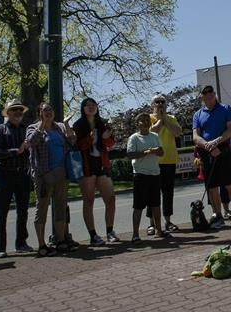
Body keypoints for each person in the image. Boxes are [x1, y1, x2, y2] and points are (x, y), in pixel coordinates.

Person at [26, 103, 77, 256]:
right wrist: (42, 124)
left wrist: (67, 124)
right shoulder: (33, 128)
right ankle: (42, 245)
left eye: (50, 110)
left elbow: (72, 140)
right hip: (43, 175)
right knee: (42, 208)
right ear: (39, 113)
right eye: (45, 110)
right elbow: (32, 141)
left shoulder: (59, 127)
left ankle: (60, 241)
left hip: (61, 173)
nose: (48, 112)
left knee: (60, 207)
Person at [193, 86, 231, 228]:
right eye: (206, 97)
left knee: (229, 184)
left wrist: (216, 142)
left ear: (214, 95)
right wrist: (208, 146)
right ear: (202, 98)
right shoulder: (197, 114)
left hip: (222, 150)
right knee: (212, 187)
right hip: (207, 151)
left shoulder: (224, 108)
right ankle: (218, 216)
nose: (209, 99)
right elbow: (196, 136)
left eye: (211, 96)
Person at [0, 99, 33, 258]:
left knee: (23, 211)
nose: (18, 113)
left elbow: (31, 150)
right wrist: (17, 151)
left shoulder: (26, 130)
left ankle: (21, 243)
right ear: (7, 113)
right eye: (14, 110)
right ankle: (0, 248)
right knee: (2, 212)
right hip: (5, 174)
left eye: (20, 110)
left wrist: (28, 149)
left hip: (23, 174)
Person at [72, 98, 118, 245]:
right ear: (83, 109)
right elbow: (77, 146)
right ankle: (93, 235)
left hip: (102, 165)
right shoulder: (78, 125)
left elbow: (111, 143)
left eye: (94, 105)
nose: (91, 107)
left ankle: (110, 231)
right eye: (88, 106)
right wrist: (89, 139)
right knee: (89, 200)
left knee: (110, 199)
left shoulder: (103, 123)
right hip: (87, 166)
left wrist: (106, 137)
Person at [126, 113, 166, 242]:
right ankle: (135, 234)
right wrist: (146, 152)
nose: (145, 123)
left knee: (155, 204)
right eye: (141, 121)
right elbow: (131, 154)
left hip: (155, 174)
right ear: (137, 124)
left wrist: (156, 150)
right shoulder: (134, 138)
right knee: (138, 206)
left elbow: (161, 152)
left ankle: (159, 230)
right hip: (140, 175)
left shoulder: (154, 136)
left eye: (147, 121)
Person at [150, 94, 182, 234]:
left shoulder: (172, 118)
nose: (160, 104)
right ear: (153, 105)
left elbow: (177, 132)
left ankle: (167, 221)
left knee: (168, 193)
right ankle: (152, 224)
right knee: (152, 193)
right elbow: (152, 132)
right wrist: (159, 120)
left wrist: (164, 119)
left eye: (163, 102)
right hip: (154, 162)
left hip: (169, 160)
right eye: (157, 102)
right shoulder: (149, 119)